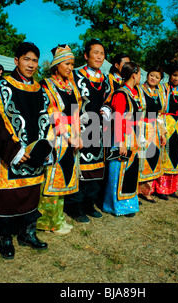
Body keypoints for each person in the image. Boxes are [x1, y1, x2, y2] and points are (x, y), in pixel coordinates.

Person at [0, 42, 53, 259]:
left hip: (35, 155)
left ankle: (27, 233)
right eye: (26, 59)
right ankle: (4, 237)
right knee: (6, 197)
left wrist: (46, 148)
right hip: (10, 153)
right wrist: (14, 150)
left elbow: (48, 121)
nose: (31, 65)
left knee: (31, 194)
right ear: (16, 60)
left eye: (34, 61)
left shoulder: (42, 90)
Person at [37, 45, 82, 235]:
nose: (70, 67)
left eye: (72, 64)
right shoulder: (46, 85)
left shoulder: (71, 86)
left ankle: (58, 218)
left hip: (71, 136)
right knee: (52, 177)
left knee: (65, 175)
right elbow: (52, 112)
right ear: (57, 65)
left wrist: (78, 134)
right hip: (56, 136)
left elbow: (77, 111)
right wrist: (68, 135)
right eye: (67, 63)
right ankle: (47, 221)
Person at [65, 39, 112, 223]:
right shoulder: (75, 76)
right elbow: (69, 102)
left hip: (99, 129)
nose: (99, 57)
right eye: (95, 52)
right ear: (86, 55)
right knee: (80, 168)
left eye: (102, 53)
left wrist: (108, 109)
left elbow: (109, 100)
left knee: (96, 168)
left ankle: (89, 203)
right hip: (81, 128)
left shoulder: (106, 79)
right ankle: (75, 206)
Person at [102, 62, 142, 217]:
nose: (140, 78)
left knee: (130, 171)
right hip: (122, 137)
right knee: (118, 171)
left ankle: (129, 203)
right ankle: (114, 205)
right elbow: (117, 118)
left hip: (133, 136)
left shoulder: (133, 93)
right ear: (134, 74)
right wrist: (120, 141)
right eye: (139, 74)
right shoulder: (120, 94)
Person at [152, 63, 178, 199]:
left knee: (176, 155)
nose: (176, 78)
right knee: (165, 155)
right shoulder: (162, 88)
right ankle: (161, 188)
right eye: (174, 75)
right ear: (170, 75)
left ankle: (173, 187)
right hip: (166, 122)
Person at [137, 65, 167, 203]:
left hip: (155, 128)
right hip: (142, 127)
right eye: (152, 75)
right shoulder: (139, 90)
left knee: (153, 159)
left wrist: (162, 132)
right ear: (147, 75)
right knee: (142, 159)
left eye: (157, 77)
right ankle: (136, 191)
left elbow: (160, 113)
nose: (154, 78)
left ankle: (148, 190)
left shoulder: (159, 92)